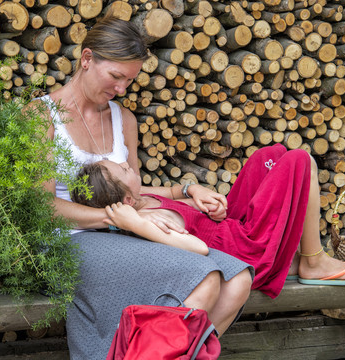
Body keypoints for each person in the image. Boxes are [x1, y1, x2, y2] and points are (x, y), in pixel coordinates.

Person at [24, 15, 254, 360]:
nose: (121, 89)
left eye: (129, 81)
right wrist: (119, 218)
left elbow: (133, 189)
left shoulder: (123, 119)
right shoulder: (41, 117)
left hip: (125, 234)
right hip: (66, 243)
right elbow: (42, 208)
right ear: (87, 59)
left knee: (238, 281)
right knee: (201, 278)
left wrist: (187, 191)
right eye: (116, 76)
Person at [73, 144, 345, 298]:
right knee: (299, 161)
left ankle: (300, 258)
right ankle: (313, 261)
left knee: (270, 155)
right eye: (125, 169)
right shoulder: (149, 218)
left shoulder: (141, 197)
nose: (128, 164)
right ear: (125, 201)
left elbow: (183, 204)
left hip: (229, 228)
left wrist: (203, 203)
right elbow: (196, 247)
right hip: (242, 249)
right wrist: (136, 224)